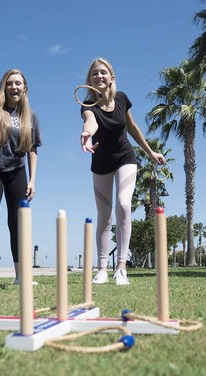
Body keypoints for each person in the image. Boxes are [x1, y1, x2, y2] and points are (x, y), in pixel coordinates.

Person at [79, 58, 165, 285]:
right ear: (89, 81)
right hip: (100, 165)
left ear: (111, 77)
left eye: (103, 73)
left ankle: (121, 267)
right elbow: (91, 123)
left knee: (124, 204)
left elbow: (133, 127)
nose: (99, 76)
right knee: (104, 217)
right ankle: (102, 269)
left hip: (125, 158)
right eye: (94, 73)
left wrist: (150, 152)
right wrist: (87, 134)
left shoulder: (121, 99)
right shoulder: (88, 107)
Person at [0, 69, 42, 287]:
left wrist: (32, 180)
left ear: (25, 88)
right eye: (10, 83)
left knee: (17, 224)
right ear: (4, 87)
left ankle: (21, 276)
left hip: (18, 174)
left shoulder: (31, 117)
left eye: (18, 83)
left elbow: (32, 151)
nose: (14, 87)